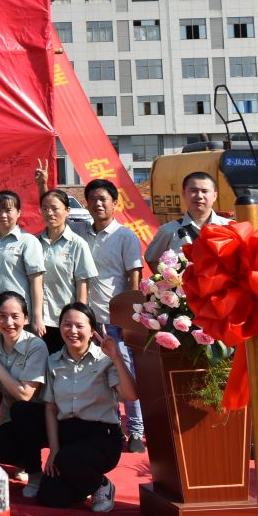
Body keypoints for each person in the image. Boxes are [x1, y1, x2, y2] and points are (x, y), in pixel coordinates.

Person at [39, 302, 138, 512]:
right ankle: (83, 480)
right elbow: (50, 408)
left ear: (92, 331)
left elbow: (131, 395)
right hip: (69, 434)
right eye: (67, 325)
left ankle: (101, 485)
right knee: (49, 495)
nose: (72, 331)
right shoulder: (53, 361)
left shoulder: (105, 359)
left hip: (101, 436)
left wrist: (116, 358)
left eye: (79, 326)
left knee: (68, 460)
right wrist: (54, 449)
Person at [82, 178, 147, 453]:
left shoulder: (125, 236)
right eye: (93, 199)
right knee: (95, 375)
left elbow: (134, 276)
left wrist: (129, 317)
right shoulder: (81, 234)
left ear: (115, 204)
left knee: (126, 372)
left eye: (103, 199)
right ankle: (109, 427)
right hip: (88, 319)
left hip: (116, 320)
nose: (98, 204)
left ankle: (136, 431)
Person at [0, 292, 49, 491]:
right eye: (2, 316)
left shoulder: (36, 346)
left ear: (26, 318)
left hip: (43, 418)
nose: (8, 322)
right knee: (0, 448)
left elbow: (25, 395)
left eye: (15, 316)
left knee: (22, 409)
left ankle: (35, 474)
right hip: (11, 418)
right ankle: (25, 461)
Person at [38, 190, 98, 355]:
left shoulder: (77, 244)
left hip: (66, 321)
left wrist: (79, 318)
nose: (50, 213)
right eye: (45, 208)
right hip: (39, 321)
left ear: (67, 211)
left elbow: (82, 285)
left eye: (55, 208)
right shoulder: (34, 243)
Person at [0, 191, 47, 337]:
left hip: (18, 317)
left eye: (8, 210)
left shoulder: (28, 241)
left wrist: (37, 317)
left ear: (18, 212)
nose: (3, 215)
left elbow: (36, 282)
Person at [144, 171, 230, 263]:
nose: (199, 196)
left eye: (205, 191)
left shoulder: (229, 227)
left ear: (215, 196)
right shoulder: (168, 231)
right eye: (193, 191)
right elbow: (151, 259)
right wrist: (167, 272)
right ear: (184, 193)